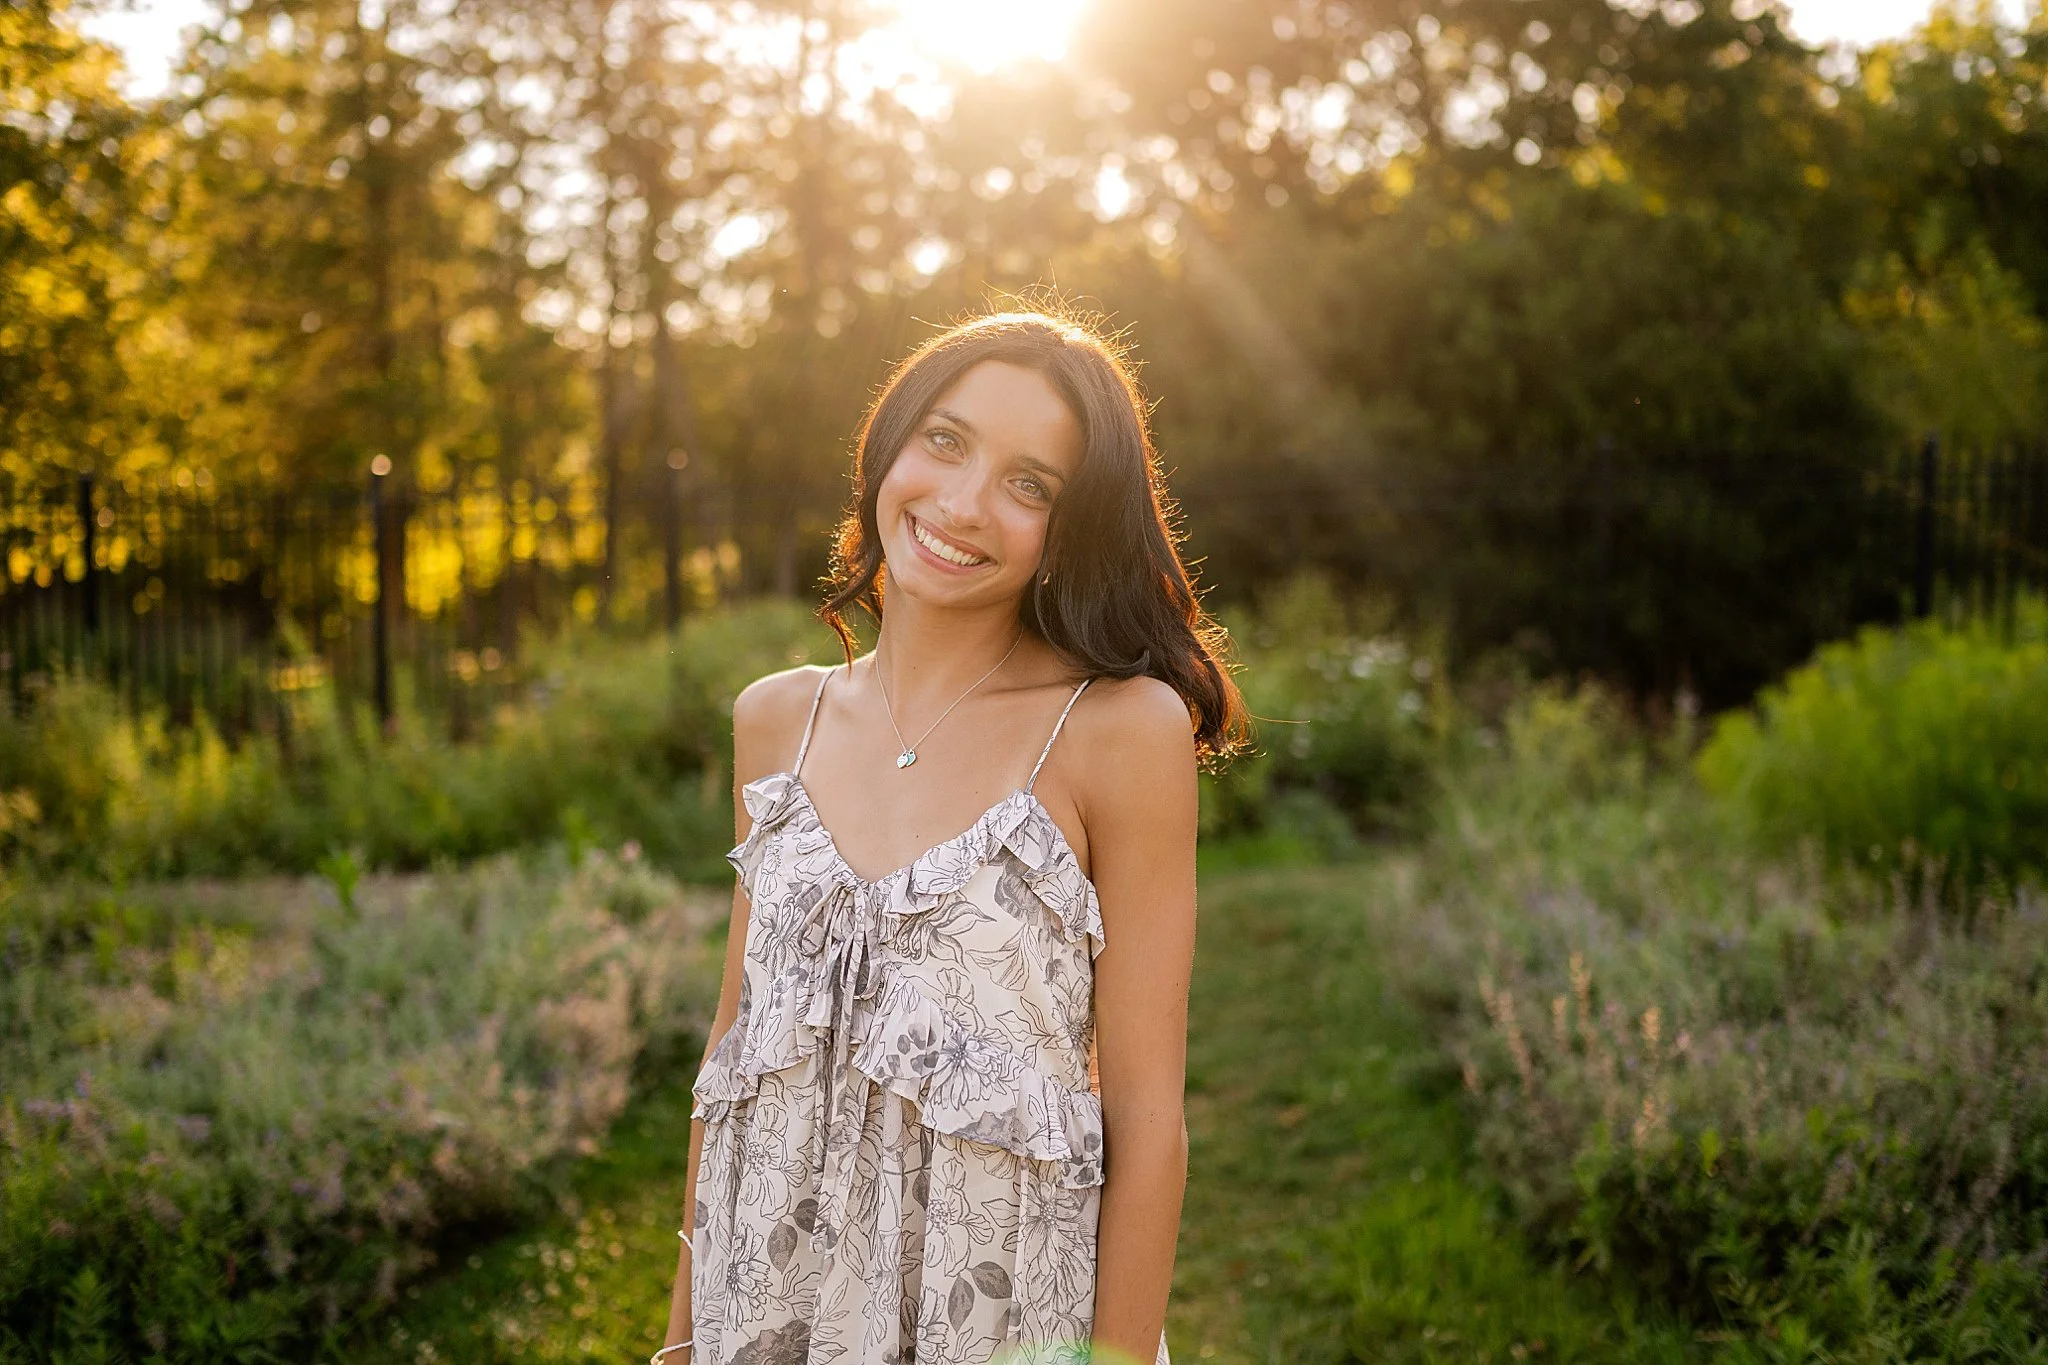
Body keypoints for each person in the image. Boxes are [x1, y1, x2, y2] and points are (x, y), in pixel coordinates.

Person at [654, 308, 1247, 1365]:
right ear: (888, 444)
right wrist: (682, 1340)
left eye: (1030, 485)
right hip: (770, 1306)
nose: (964, 504)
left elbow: (1148, 1122)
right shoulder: (776, 720)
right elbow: (733, 1051)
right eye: (944, 439)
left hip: (1003, 1324)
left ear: (1071, 526)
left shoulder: (1116, 731)